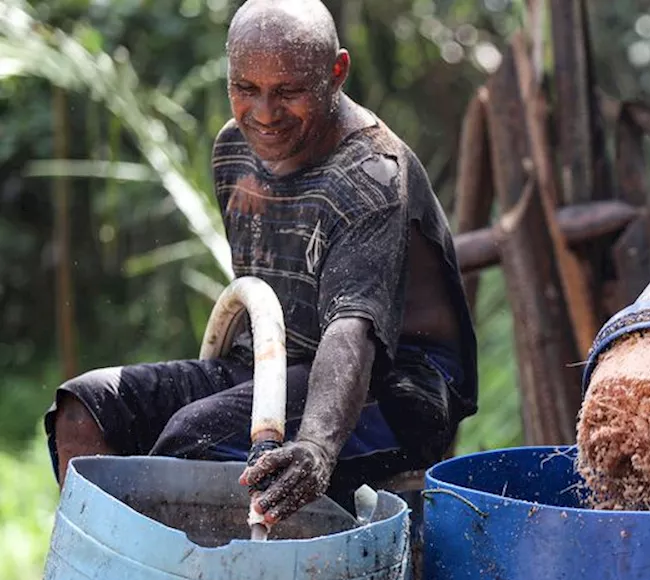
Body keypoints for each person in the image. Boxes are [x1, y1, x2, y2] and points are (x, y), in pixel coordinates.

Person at [44, 0, 477, 528]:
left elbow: (351, 333)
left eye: (289, 92)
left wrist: (317, 445)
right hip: (275, 364)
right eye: (246, 89)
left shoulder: (371, 177)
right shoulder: (233, 151)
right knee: (86, 408)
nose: (265, 114)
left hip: (396, 389)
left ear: (336, 73)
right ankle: (102, 575)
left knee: (193, 439)